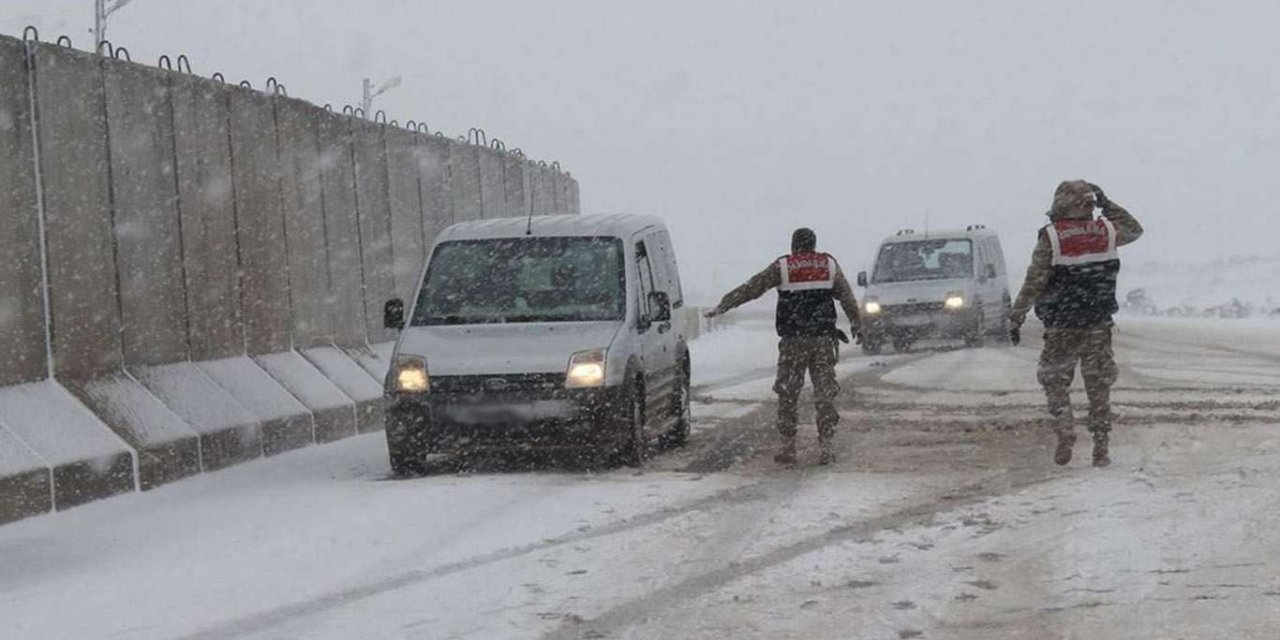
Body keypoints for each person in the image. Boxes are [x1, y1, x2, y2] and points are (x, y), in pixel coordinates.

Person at [1009, 180, 1144, 467]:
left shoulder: (1052, 237)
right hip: (1097, 324)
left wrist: (1017, 315)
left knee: (1054, 380)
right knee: (1099, 387)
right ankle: (1101, 448)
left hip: (1061, 325)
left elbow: (1034, 281)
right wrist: (1107, 202)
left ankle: (1064, 426)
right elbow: (1135, 229)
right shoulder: (1106, 231)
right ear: (1089, 203)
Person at [705, 228, 862, 465]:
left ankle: (788, 447)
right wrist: (856, 323)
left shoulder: (784, 267)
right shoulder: (828, 265)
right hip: (822, 340)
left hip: (793, 341)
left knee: (788, 394)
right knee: (825, 394)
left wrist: (723, 305)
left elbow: (752, 288)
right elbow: (847, 297)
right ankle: (826, 446)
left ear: (794, 245)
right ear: (814, 244)